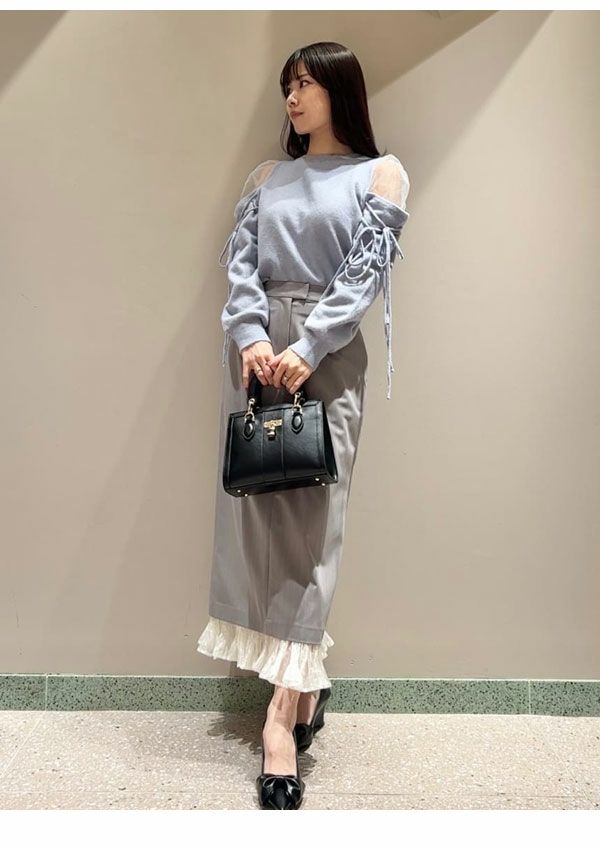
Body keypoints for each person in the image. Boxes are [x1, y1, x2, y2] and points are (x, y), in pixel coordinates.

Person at [197, 41, 411, 810]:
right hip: (259, 360)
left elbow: (363, 274)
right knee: (256, 521)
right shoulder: (266, 178)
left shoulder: (380, 175)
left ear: (340, 92)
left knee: (316, 531)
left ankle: (280, 719)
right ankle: (301, 689)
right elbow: (241, 267)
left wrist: (307, 345)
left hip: (328, 356)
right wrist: (252, 337)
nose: (292, 97)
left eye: (307, 84)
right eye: (288, 85)